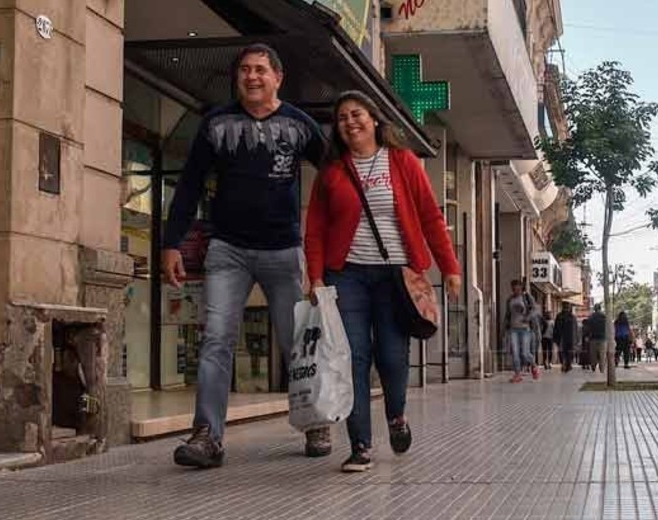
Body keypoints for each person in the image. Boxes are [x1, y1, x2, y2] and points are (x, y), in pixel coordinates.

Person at [166, 45, 330, 469]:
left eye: (260, 70)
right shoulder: (216, 124)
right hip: (228, 250)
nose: (252, 77)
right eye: (244, 70)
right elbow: (188, 186)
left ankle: (316, 423)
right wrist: (170, 242)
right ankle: (207, 437)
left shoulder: (299, 125)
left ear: (278, 77)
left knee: (297, 342)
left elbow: (335, 174)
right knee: (216, 338)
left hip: (283, 251)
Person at [303, 90, 463, 473]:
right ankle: (360, 444)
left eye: (356, 114)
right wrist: (315, 277)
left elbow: (429, 218)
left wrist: (450, 267)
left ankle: (396, 416)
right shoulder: (332, 173)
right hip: (348, 276)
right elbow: (316, 230)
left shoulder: (403, 162)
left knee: (392, 356)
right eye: (341, 118)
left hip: (396, 276)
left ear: (374, 119)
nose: (350, 122)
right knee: (354, 357)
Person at [504, 279, 541, 383]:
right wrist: (504, 328)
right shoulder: (510, 300)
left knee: (525, 353)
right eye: (513, 288)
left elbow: (535, 310)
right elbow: (507, 315)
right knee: (515, 352)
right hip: (513, 329)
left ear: (520, 287)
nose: (515, 290)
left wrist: (528, 318)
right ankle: (517, 374)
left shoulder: (527, 298)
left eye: (517, 288)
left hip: (525, 329)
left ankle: (534, 365)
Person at [554, 303, 578, 373]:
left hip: (563, 338)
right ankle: (567, 364)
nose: (567, 308)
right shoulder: (572, 317)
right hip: (568, 338)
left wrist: (555, 338)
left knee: (564, 352)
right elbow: (575, 329)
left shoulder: (560, 316)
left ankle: (566, 364)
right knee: (567, 353)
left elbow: (556, 328)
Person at [588, 305, 608, 373]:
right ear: (600, 308)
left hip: (593, 338)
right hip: (603, 338)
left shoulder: (591, 317)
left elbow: (588, 328)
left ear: (594, 309)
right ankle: (602, 369)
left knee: (593, 355)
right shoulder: (604, 316)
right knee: (602, 355)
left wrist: (588, 336)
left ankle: (593, 367)